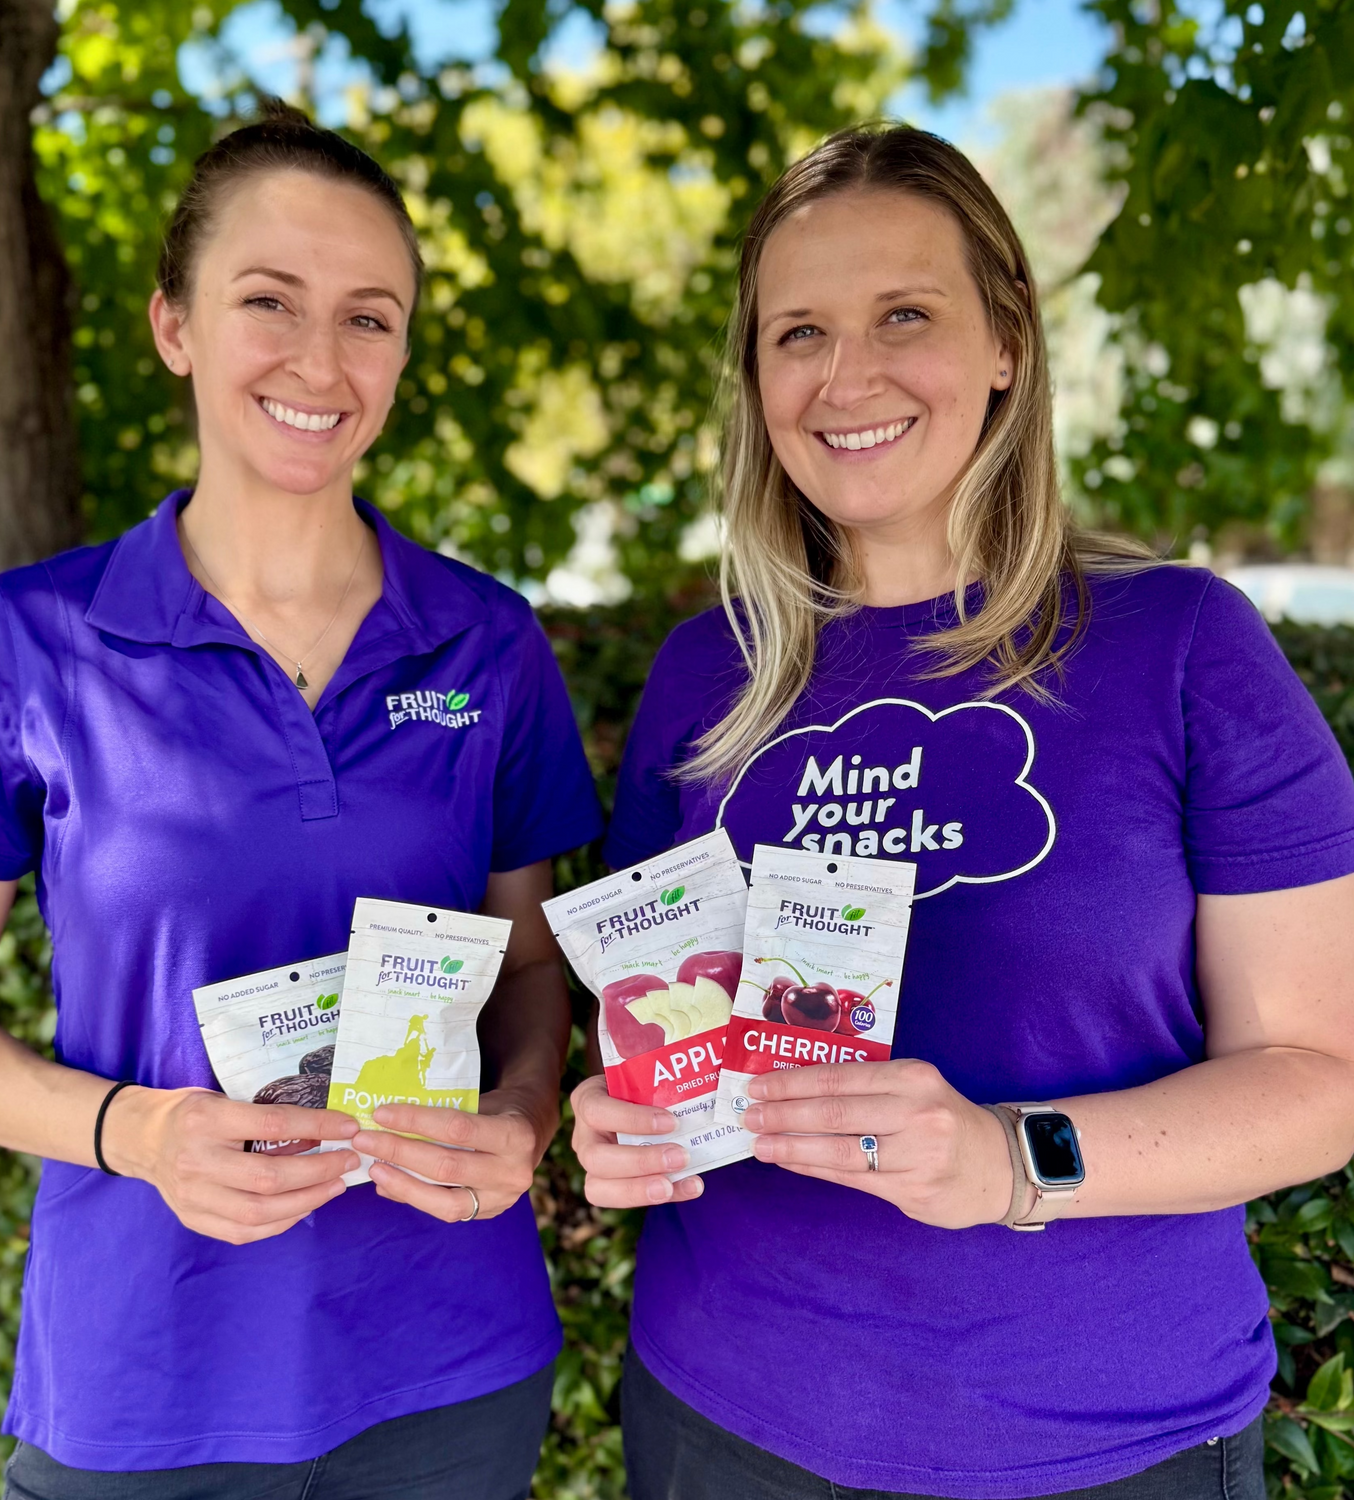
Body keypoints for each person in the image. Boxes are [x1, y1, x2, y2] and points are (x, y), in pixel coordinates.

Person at [572, 124, 1354, 1500]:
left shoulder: (1182, 646)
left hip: (1104, 1445)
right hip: (720, 1416)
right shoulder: (712, 668)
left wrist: (1009, 1158)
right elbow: (662, 1005)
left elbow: (1319, 1082)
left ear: (1006, 343)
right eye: (797, 332)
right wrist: (622, 1111)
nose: (845, 375)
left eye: (905, 316)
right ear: (756, 380)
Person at [0, 103, 601, 1500]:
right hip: (144, 1382)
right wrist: (135, 1132)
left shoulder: (488, 642)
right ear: (175, 326)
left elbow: (524, 964)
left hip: (449, 1370)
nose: (321, 360)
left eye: (369, 317)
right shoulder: (28, 639)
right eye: (268, 301)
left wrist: (520, 1106)